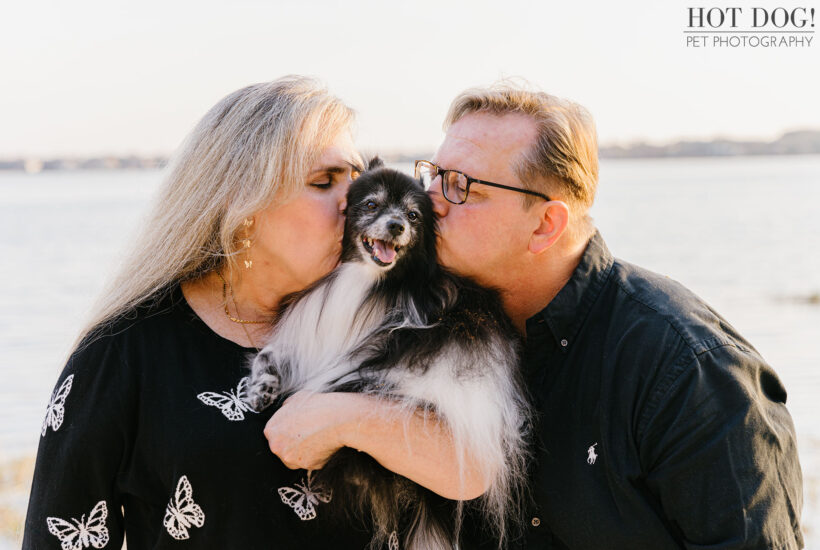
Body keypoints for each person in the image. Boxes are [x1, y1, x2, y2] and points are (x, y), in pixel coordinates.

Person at [23, 76, 489, 550]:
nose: (352, 200)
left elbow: (475, 469)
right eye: (324, 181)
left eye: (354, 179)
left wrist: (349, 417)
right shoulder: (122, 353)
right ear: (242, 203)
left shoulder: (402, 323)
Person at [412, 82, 805, 549]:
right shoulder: (427, 338)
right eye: (431, 175)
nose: (426, 201)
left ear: (544, 226)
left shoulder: (691, 373)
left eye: (461, 186)